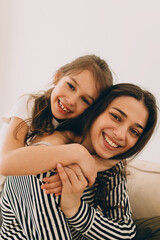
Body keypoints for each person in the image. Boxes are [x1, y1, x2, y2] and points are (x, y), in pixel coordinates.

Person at [0, 83, 157, 239]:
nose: (121, 135)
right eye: (116, 117)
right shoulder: (45, 158)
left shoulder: (111, 163)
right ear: (96, 111)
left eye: (134, 131)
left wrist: (75, 209)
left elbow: (126, 233)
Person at [0, 54, 114, 190]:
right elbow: (6, 163)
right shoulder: (29, 104)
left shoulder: (82, 128)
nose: (71, 101)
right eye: (71, 86)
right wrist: (77, 153)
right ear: (58, 77)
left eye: (85, 100)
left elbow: (114, 158)